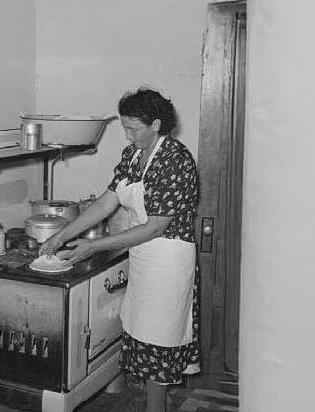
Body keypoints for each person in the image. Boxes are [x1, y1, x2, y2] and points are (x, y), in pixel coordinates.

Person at [38, 88, 200, 412]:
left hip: (168, 262)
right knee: (144, 335)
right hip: (143, 257)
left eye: (133, 129)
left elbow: (156, 226)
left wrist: (93, 246)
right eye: (125, 128)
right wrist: (60, 236)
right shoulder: (132, 155)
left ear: (156, 124)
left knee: (160, 344)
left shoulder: (175, 160)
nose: (128, 135)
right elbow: (105, 202)